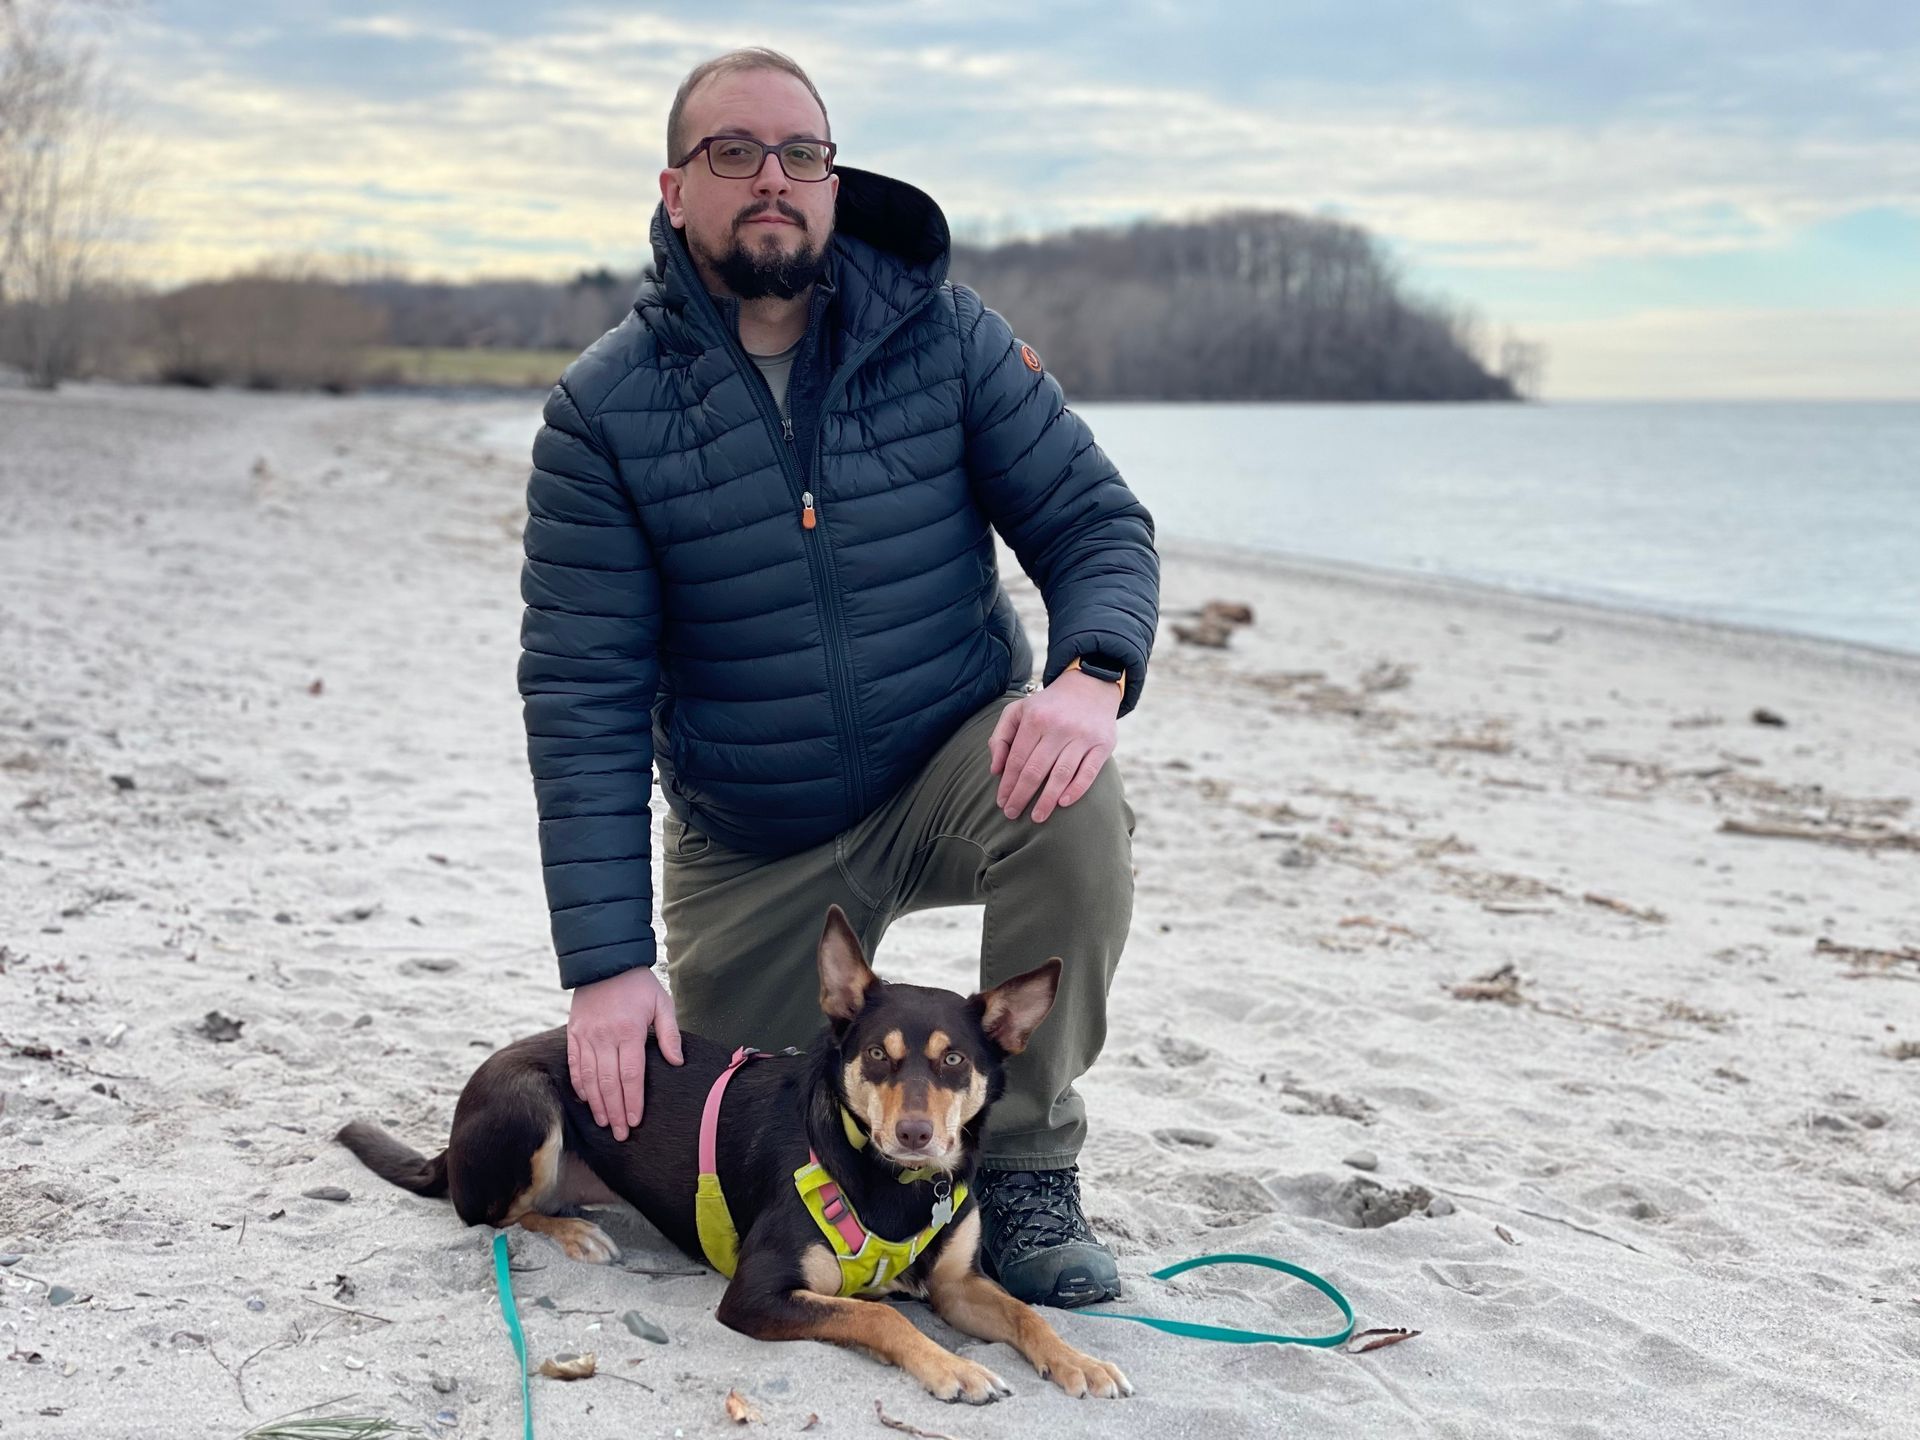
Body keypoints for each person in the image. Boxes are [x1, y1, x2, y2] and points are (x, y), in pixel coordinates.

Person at [518, 46, 1159, 1307]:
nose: (774, 178)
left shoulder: (949, 338)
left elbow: (1096, 522)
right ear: (673, 188)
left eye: (802, 153)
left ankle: (1022, 1165)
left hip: (946, 765)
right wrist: (603, 964)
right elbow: (581, 698)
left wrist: (1091, 673)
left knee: (1074, 798)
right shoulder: (603, 413)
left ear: (833, 175)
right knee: (724, 1133)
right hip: (753, 841)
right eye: (734, 153)